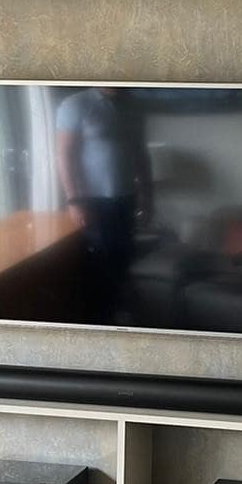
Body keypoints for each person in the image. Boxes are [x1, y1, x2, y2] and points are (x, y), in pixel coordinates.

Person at [55, 87, 153, 322]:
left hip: (126, 199)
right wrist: (74, 200)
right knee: (101, 266)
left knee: (123, 260)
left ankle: (119, 320)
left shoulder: (134, 105)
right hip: (93, 203)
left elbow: (141, 154)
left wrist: (149, 196)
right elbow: (64, 155)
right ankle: (101, 322)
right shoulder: (76, 104)